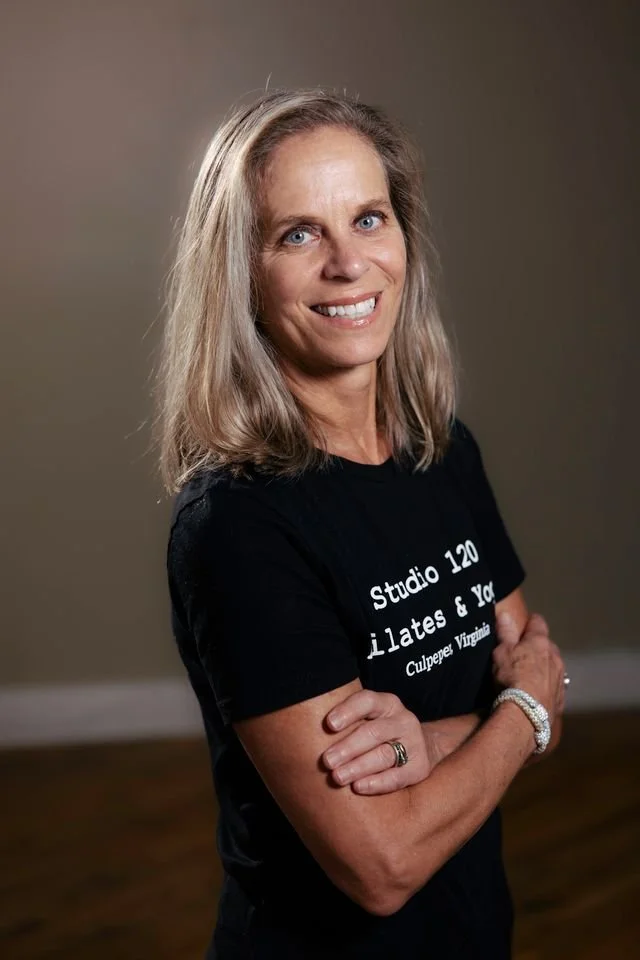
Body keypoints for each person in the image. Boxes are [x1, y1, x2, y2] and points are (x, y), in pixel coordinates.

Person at [159, 89, 566, 959]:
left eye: (368, 219)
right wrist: (518, 712)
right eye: (298, 234)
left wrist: (440, 736)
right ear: (241, 275)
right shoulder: (236, 525)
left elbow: (543, 683)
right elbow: (382, 863)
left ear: (403, 239)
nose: (349, 264)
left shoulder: (443, 450)